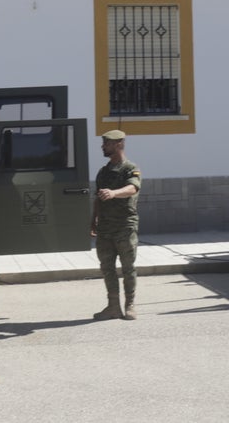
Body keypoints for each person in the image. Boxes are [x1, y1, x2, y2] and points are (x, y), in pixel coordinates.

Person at [91, 129, 142, 321]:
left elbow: (133, 187)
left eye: (107, 143)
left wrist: (113, 193)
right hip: (105, 227)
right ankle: (113, 306)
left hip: (124, 226)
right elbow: (97, 198)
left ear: (119, 144)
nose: (103, 146)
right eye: (104, 143)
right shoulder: (103, 172)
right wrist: (93, 219)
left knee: (128, 267)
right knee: (107, 267)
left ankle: (130, 304)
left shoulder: (130, 168)